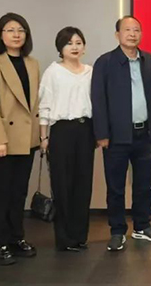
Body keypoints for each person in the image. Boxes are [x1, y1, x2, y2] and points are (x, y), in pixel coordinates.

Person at [91, 16, 151, 252]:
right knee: (116, 187)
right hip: (116, 137)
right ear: (117, 35)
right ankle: (117, 231)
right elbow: (98, 99)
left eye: (136, 30)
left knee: (144, 185)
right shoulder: (105, 62)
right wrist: (101, 133)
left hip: (145, 134)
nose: (132, 34)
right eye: (127, 30)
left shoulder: (150, 61)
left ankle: (142, 226)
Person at [0, 13, 40, 265]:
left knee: (19, 192)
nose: (16, 34)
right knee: (0, 193)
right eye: (10, 30)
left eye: (21, 30)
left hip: (27, 138)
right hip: (2, 140)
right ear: (0, 35)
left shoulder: (32, 63)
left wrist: (41, 136)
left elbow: (35, 103)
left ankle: (16, 238)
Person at [38, 27, 95, 252]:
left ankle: (80, 236)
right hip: (61, 131)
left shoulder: (90, 71)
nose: (74, 47)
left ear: (84, 47)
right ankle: (64, 238)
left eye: (78, 42)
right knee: (62, 185)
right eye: (69, 43)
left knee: (83, 184)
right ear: (60, 48)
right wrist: (44, 136)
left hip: (86, 130)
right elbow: (44, 105)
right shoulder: (53, 72)